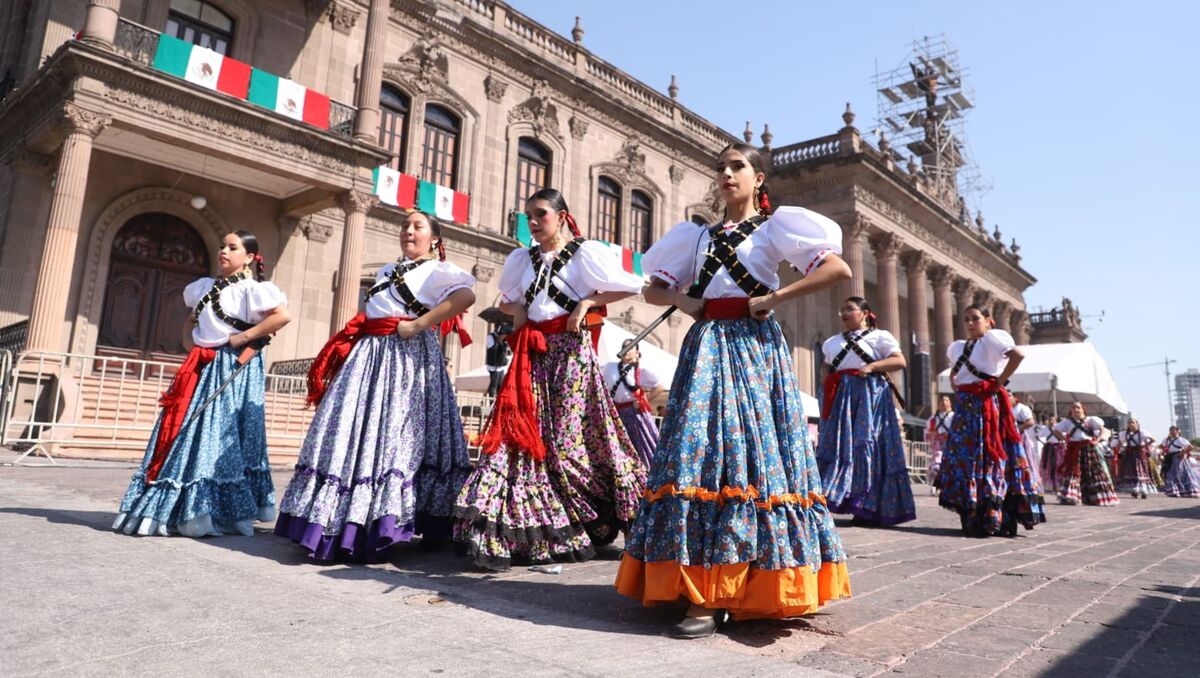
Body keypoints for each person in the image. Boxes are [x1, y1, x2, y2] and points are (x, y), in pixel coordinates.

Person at [615, 142, 852, 638]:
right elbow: (651, 288)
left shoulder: (775, 227)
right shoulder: (694, 236)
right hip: (705, 344)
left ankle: (747, 583)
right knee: (694, 450)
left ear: (758, 178)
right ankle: (696, 587)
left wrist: (775, 296)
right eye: (720, 167)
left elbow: (836, 270)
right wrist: (684, 299)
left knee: (751, 453)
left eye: (737, 166)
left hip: (753, 344)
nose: (726, 173)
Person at [454, 188, 646, 570]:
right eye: (529, 215)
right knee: (526, 439)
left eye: (540, 213)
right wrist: (516, 311)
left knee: (568, 443)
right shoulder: (521, 259)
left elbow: (632, 285)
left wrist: (588, 302)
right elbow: (508, 300)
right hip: (534, 356)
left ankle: (614, 508)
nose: (534, 221)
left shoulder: (584, 253)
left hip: (572, 355)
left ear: (561, 216)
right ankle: (540, 525)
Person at [275, 211, 476, 561]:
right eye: (404, 226)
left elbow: (465, 298)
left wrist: (420, 324)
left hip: (407, 356)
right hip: (370, 355)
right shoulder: (387, 271)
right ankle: (344, 520)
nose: (408, 231)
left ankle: (391, 522)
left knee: (399, 433)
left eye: (417, 227)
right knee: (352, 430)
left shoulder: (438, 270)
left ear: (435, 239)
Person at [113, 230, 290, 537]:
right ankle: (182, 508)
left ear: (248, 257)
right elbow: (191, 320)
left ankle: (212, 511)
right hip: (203, 364)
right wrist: (190, 343)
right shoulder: (205, 288)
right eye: (222, 245)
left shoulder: (253, 290)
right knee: (186, 427)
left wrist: (243, 337)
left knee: (217, 433)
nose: (224, 250)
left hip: (232, 366)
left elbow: (281, 316)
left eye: (232, 247)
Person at [939, 305, 1045, 537]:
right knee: (967, 457)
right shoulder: (957, 347)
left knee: (989, 453)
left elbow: (1018, 355)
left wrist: (999, 381)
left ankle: (995, 514)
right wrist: (955, 383)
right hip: (965, 407)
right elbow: (956, 371)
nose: (969, 323)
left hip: (986, 403)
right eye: (966, 319)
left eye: (975, 318)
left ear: (988, 321)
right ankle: (972, 512)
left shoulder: (992, 339)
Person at [817, 296, 915, 525]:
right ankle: (839, 496)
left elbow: (899, 361)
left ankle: (869, 503)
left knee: (868, 442)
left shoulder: (880, 337)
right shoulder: (832, 342)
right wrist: (826, 384)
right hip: (841, 397)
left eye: (850, 309)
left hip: (869, 396)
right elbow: (826, 364)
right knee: (841, 446)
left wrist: (871, 366)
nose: (844, 313)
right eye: (841, 309)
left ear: (865, 313)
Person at [602, 339, 666, 468]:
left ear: (637, 352)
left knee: (643, 443)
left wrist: (644, 399)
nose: (626, 350)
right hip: (615, 412)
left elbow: (659, 386)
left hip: (634, 413)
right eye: (624, 347)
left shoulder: (641, 370)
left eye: (629, 347)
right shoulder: (610, 367)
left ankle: (649, 470)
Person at [1051, 402, 1119, 506]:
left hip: (1088, 449)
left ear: (1083, 409)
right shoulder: (1067, 422)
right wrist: (1065, 439)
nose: (1076, 409)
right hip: (1074, 449)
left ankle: (1097, 496)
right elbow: (1055, 430)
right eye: (1073, 408)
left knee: (1093, 472)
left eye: (1078, 407)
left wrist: (1097, 440)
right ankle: (1072, 496)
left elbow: (1102, 430)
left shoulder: (1090, 420)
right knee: (1074, 471)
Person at [1114, 419, 1156, 499]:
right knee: (1131, 472)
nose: (1130, 424)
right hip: (1129, 454)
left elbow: (1153, 440)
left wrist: (1144, 446)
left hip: (1140, 454)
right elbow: (1120, 442)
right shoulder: (1125, 434)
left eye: (1132, 422)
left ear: (1137, 424)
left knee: (1141, 471)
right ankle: (1134, 490)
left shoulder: (1142, 432)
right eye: (1129, 423)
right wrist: (1118, 449)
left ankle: (1144, 490)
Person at [1160, 427, 1200, 497]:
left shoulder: (1180, 440)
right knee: (1170, 474)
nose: (1172, 432)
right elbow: (1161, 446)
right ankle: (1173, 491)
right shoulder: (1167, 440)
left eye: (1173, 430)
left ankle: (1187, 490)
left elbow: (1191, 447)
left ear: (1178, 431)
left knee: (1181, 473)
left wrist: (1183, 453)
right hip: (1170, 458)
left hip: (1178, 458)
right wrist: (1165, 450)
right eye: (1171, 430)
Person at [926, 395, 954, 494]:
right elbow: (927, 431)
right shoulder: (933, 418)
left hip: (950, 445)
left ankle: (945, 487)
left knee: (948, 466)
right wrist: (933, 435)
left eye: (946, 400)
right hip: (937, 445)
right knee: (936, 466)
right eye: (942, 400)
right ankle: (934, 485)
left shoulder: (954, 417)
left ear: (950, 404)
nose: (944, 402)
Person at [1012, 393, 1041, 487]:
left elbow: (1031, 421)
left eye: (1009, 395)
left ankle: (1028, 484)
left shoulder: (1021, 408)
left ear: (1015, 398)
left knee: (1022, 461)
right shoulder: (1002, 406)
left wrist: (1017, 429)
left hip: (1019, 438)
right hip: (1007, 438)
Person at [484, 322, 512, 397]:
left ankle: (498, 400)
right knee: (494, 383)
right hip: (494, 365)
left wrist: (504, 342)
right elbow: (491, 349)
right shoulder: (491, 337)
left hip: (501, 365)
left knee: (501, 385)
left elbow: (507, 350)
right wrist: (498, 341)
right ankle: (491, 401)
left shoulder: (505, 339)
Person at [1038, 414, 1060, 491]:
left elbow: (1064, 436)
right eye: (1050, 420)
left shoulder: (1059, 428)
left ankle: (1057, 484)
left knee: (1057, 466)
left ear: (1056, 421)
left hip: (1057, 448)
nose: (1051, 421)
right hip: (1048, 448)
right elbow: (1038, 435)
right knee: (1047, 466)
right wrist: (1043, 442)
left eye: (1053, 420)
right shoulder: (1045, 428)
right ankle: (1049, 484)